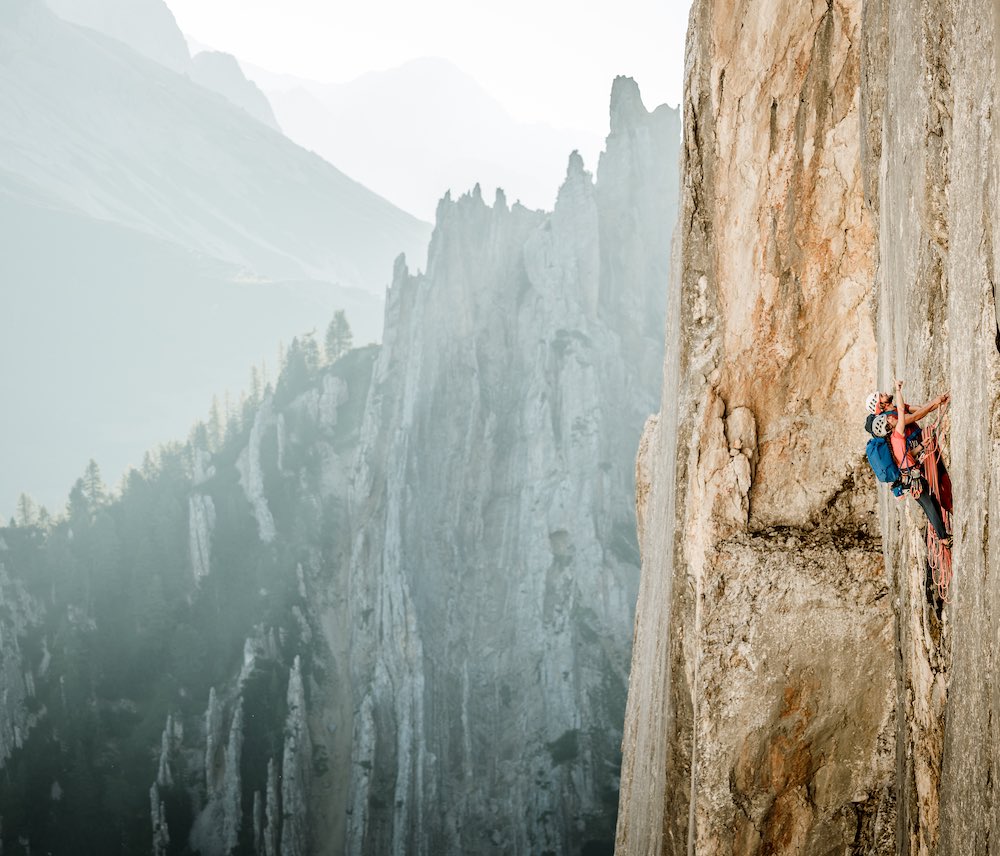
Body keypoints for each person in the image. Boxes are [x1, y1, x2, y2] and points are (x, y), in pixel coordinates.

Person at [870, 381, 950, 543]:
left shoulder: (893, 438)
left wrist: (937, 402)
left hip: (910, 474)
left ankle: (943, 536)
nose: (885, 393)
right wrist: (899, 390)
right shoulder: (895, 430)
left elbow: (916, 410)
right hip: (914, 476)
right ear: (882, 405)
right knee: (931, 503)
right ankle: (943, 538)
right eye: (882, 396)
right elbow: (913, 416)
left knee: (931, 501)